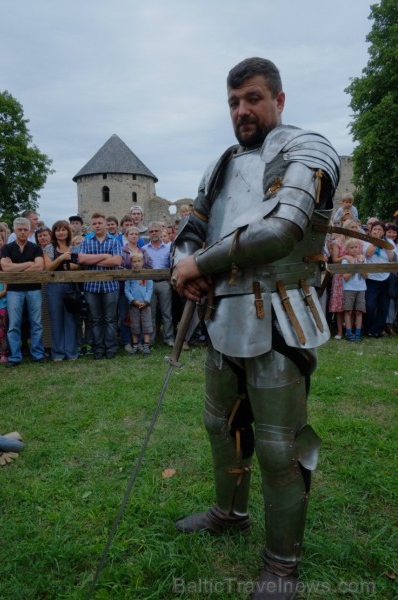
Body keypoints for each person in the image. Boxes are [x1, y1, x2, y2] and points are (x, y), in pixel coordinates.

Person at [170, 57, 340, 599]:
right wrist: (185, 260)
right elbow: (194, 227)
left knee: (277, 446)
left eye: (252, 99)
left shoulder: (308, 148)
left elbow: (282, 229)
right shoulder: (220, 164)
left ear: (279, 100)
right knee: (220, 425)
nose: (242, 111)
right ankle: (229, 512)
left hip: (281, 314)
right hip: (223, 315)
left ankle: (282, 564)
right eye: (233, 102)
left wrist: (201, 265)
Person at [0, 217, 46, 367]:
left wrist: (15, 266)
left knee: (37, 323)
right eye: (19, 229)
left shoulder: (35, 247)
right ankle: (15, 356)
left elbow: (39, 267)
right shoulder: (7, 248)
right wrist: (28, 263)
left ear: (29, 230)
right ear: (14, 230)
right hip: (14, 290)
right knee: (14, 324)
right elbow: (6, 268)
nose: (22, 232)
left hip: (34, 288)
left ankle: (37, 354)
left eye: (25, 229)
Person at [78, 212, 123, 359]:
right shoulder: (86, 240)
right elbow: (81, 259)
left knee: (110, 319)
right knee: (95, 319)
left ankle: (110, 348)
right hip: (91, 287)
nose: (97, 226)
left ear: (105, 224)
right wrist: (104, 257)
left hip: (110, 286)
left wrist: (93, 261)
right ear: (92, 225)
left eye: (100, 223)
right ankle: (98, 348)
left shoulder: (114, 241)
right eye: (94, 223)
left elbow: (117, 261)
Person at [43, 220, 79, 361]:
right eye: (58, 230)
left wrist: (70, 266)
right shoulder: (49, 248)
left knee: (70, 318)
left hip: (71, 285)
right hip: (54, 286)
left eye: (64, 229)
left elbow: (80, 265)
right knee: (56, 319)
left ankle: (71, 352)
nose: (61, 232)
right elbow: (49, 267)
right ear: (54, 233)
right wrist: (62, 258)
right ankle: (58, 353)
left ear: (68, 231)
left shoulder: (74, 246)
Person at [143, 221, 175, 347]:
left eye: (156, 231)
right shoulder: (144, 249)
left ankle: (169, 338)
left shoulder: (168, 247)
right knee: (150, 313)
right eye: (151, 231)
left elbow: (172, 264)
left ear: (160, 232)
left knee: (167, 313)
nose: (154, 233)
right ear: (148, 234)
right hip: (150, 283)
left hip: (164, 283)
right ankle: (151, 339)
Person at [363, 221, 395, 338]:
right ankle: (369, 329)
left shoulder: (389, 242)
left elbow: (391, 259)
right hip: (371, 279)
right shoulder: (366, 241)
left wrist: (386, 246)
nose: (377, 231)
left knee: (384, 306)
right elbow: (368, 253)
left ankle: (378, 330)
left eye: (380, 230)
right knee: (370, 305)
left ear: (383, 232)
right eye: (375, 229)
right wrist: (376, 242)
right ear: (371, 231)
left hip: (385, 278)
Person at [124, 253, 153, 356]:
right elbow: (127, 290)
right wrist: (133, 300)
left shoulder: (147, 274)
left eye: (139, 261)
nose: (137, 263)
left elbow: (149, 289)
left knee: (147, 325)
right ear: (131, 263)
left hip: (146, 304)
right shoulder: (129, 275)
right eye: (134, 261)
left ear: (143, 261)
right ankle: (135, 346)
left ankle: (146, 346)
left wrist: (146, 301)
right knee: (134, 325)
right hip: (134, 305)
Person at [342, 238, 367, 341]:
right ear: (347, 250)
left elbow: (366, 276)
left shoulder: (363, 259)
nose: (354, 249)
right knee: (348, 311)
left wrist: (360, 264)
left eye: (356, 247)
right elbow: (346, 277)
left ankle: (358, 333)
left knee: (359, 311)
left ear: (359, 248)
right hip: (349, 288)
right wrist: (353, 266)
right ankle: (348, 332)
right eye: (351, 247)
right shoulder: (345, 260)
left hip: (361, 288)